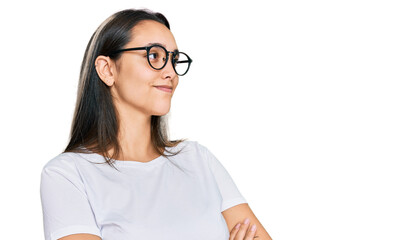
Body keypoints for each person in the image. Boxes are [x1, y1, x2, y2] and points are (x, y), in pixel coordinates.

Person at [39, 8, 272, 240]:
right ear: (107, 69)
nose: (171, 72)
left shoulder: (198, 160)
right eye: (154, 56)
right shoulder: (67, 174)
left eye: (174, 59)